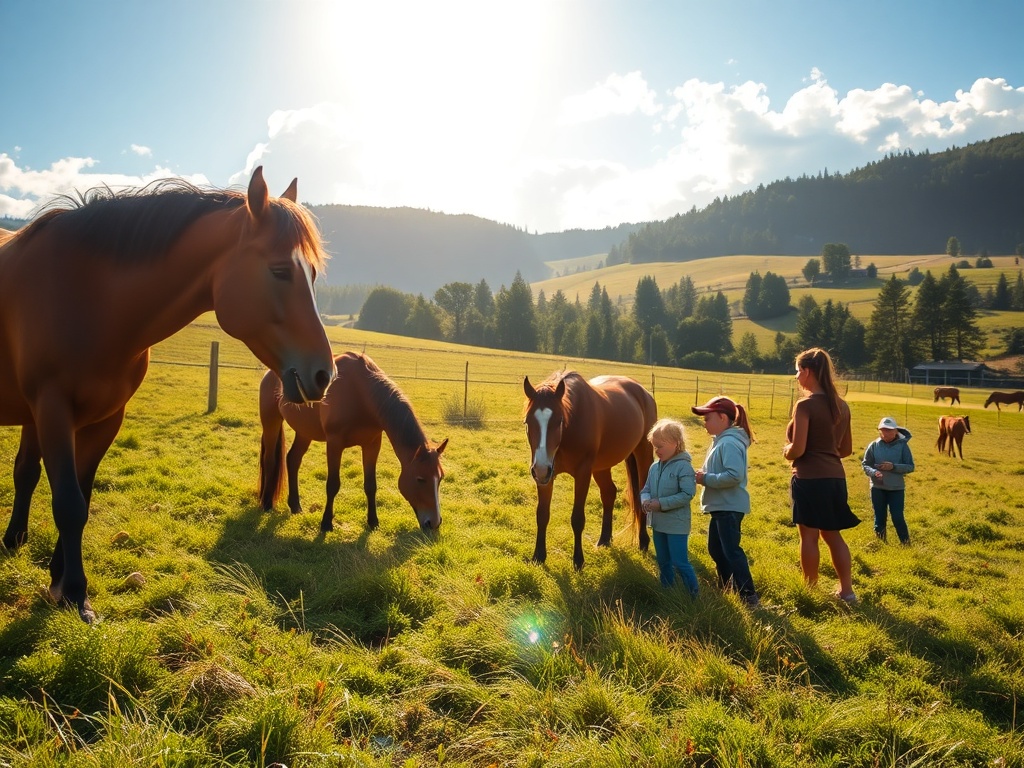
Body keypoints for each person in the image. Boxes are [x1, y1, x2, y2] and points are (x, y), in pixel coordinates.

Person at [783, 347, 860, 603]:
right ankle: (847, 591)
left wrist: (787, 451)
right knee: (832, 534)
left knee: (808, 535)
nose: (796, 377)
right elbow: (846, 449)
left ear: (807, 371)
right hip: (836, 478)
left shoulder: (804, 405)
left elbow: (798, 449)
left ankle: (810, 590)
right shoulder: (842, 405)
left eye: (797, 371)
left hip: (808, 478)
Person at [691, 396, 760, 607]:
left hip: (729, 506)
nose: (704, 422)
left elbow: (734, 475)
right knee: (716, 549)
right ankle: (728, 586)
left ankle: (748, 595)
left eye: (707, 418)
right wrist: (705, 474)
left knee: (731, 550)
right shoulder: (722, 441)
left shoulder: (729, 442)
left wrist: (706, 479)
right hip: (722, 505)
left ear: (722, 417)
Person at [640, 418, 698, 595]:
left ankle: (693, 596)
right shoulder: (654, 467)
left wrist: (661, 503)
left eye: (660, 446)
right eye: (654, 446)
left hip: (676, 525)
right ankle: (668, 590)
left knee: (679, 562)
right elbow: (646, 488)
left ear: (676, 443)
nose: (656, 451)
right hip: (658, 524)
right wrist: (645, 500)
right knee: (663, 560)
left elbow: (687, 494)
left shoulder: (684, 467)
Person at [862, 416, 915, 544]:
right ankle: (881, 544)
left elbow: (910, 466)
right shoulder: (874, 445)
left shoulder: (903, 447)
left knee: (897, 517)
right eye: (883, 430)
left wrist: (893, 467)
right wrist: (874, 472)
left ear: (896, 431)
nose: (885, 433)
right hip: (877, 488)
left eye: (889, 430)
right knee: (879, 517)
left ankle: (906, 544)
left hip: (896, 489)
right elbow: (865, 464)